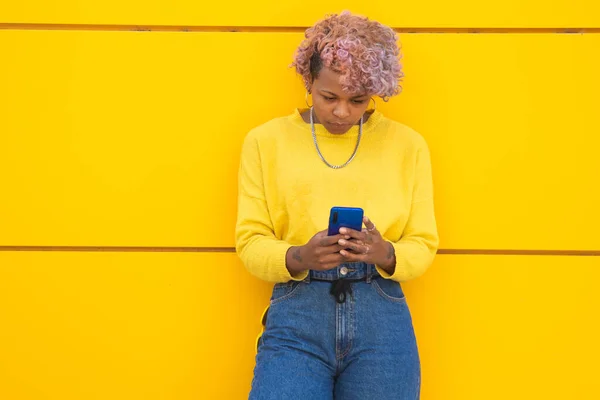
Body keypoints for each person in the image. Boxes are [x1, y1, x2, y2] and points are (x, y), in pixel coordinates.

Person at [235, 10, 439, 400]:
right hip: (298, 313)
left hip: (381, 313)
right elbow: (251, 240)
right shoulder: (265, 142)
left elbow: (424, 244)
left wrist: (384, 252)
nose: (342, 111)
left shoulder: (407, 145)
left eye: (358, 100)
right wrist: (299, 256)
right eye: (329, 97)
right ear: (309, 80)